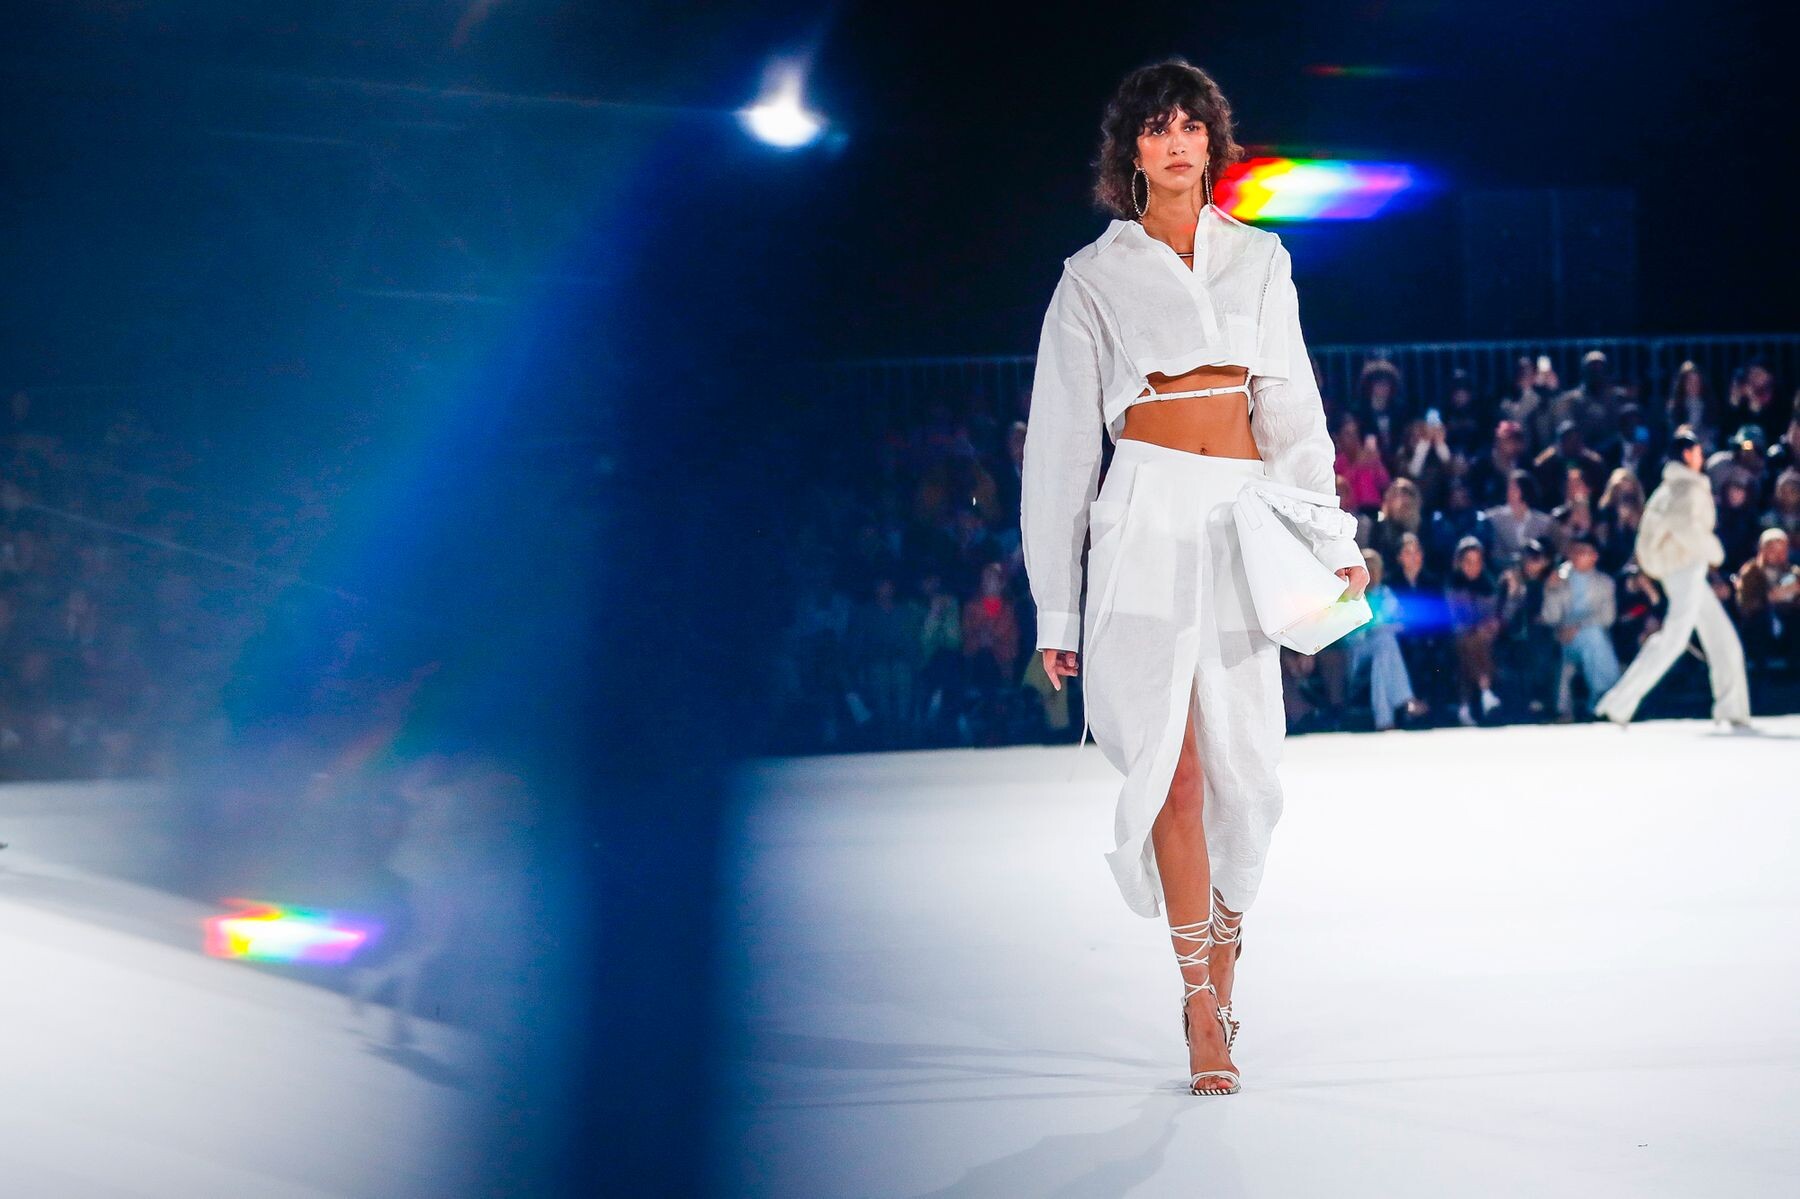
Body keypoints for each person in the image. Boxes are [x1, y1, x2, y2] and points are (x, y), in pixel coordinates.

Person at [1019, 58, 1367, 1099]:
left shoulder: (1259, 258)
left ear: (1213, 141)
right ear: (1130, 150)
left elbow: (1293, 410)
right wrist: (1056, 604)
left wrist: (1330, 532)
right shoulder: (1092, 277)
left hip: (1241, 520)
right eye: (1155, 127)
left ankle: (1227, 943)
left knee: (1246, 776)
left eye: (1190, 125)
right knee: (1170, 769)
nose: (1175, 142)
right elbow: (1061, 451)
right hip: (1142, 519)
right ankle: (1198, 1002)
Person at [1593, 432, 1751, 728]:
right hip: (1684, 567)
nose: (1702, 456)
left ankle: (1732, 707)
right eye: (1698, 452)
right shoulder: (1685, 488)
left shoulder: (1671, 488)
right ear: (1688, 454)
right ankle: (1619, 701)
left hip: (1682, 567)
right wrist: (1713, 551)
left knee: (1723, 640)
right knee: (1673, 640)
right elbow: (1685, 528)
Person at [1539, 535, 1621, 720]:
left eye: (1583, 552)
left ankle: (1601, 695)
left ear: (1594, 557)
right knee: (1594, 638)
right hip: (1562, 639)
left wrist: (1578, 627)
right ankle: (1605, 696)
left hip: (1589, 637)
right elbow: (1550, 617)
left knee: (1593, 635)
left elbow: (1607, 618)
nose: (1577, 556)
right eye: (1574, 551)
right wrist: (1551, 591)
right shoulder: (1559, 579)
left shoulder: (1605, 583)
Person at [1444, 536, 1505, 725]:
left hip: (1485, 638)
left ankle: (1465, 707)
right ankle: (1486, 692)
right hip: (1458, 636)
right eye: (1468, 562)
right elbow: (1455, 619)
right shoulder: (1452, 585)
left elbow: (1494, 616)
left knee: (1473, 645)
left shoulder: (1489, 584)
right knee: (1468, 643)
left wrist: (1490, 625)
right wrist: (1476, 627)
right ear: (1459, 563)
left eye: (1477, 562)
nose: (1473, 567)